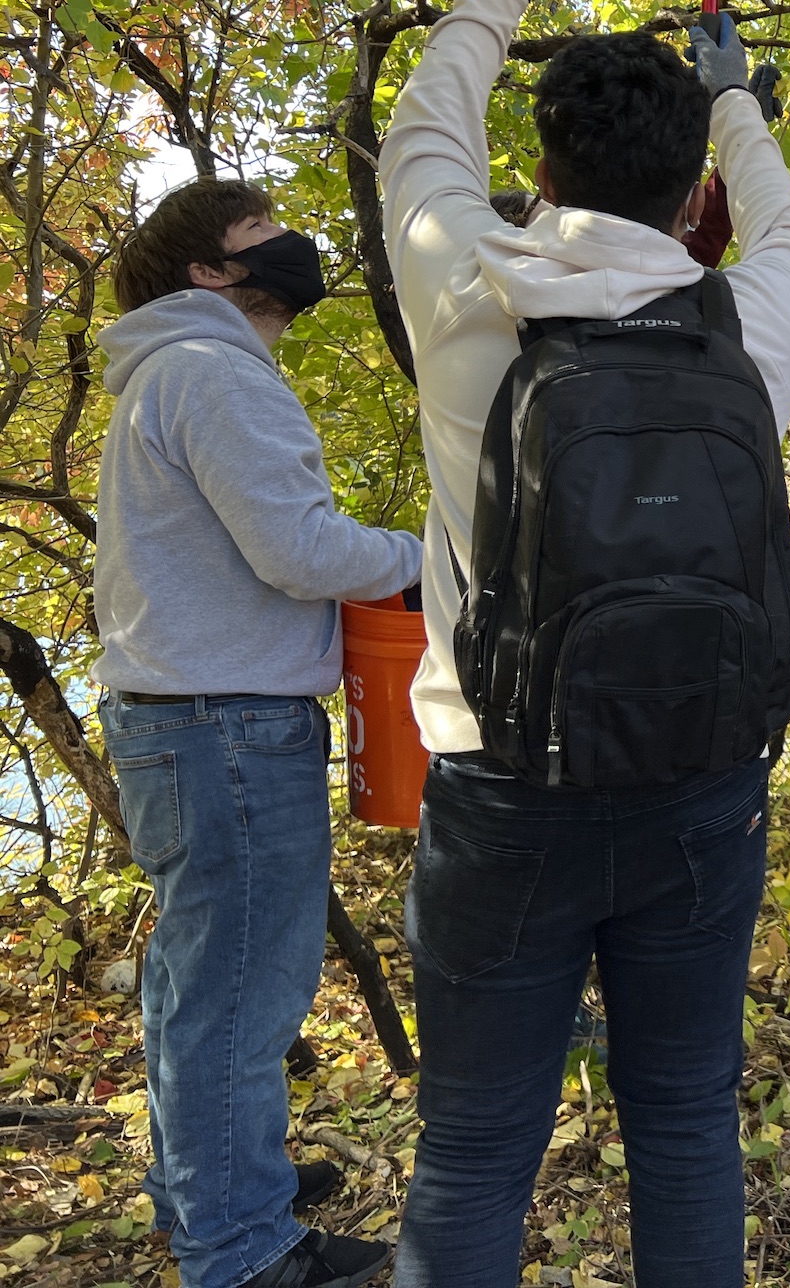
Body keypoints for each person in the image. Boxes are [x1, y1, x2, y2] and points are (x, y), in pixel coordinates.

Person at [378, 0, 790, 1288]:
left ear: (542, 171)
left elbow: (421, 132)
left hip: (504, 792)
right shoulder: (750, 327)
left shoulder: (470, 291)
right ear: (695, 197)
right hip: (703, 782)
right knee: (687, 1123)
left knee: (473, 1149)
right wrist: (734, 93)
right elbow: (785, 227)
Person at [93, 180, 423, 1288]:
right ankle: (240, 1248)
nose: (290, 244)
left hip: (180, 722)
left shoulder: (169, 376)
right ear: (209, 273)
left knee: (198, 980)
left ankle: (210, 1182)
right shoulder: (213, 370)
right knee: (239, 989)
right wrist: (435, 554)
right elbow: (303, 554)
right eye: (259, 233)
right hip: (225, 726)